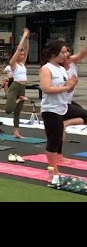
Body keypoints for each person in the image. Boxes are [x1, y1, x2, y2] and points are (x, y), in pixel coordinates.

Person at [39, 40, 78, 181]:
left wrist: (72, 85)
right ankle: (53, 171)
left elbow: (67, 89)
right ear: (54, 53)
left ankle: (65, 124)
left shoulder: (62, 69)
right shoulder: (46, 68)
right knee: (54, 140)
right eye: (63, 52)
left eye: (66, 51)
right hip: (51, 110)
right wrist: (67, 87)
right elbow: (46, 88)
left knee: (84, 115)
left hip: (63, 107)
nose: (66, 54)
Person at [4, 28, 30, 138]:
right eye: (20, 54)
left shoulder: (22, 64)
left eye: (23, 54)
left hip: (22, 87)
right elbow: (19, 49)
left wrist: (27, 38)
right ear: (16, 54)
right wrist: (23, 36)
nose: (22, 55)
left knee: (17, 113)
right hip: (15, 87)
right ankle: (20, 99)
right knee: (9, 110)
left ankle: (16, 133)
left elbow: (26, 49)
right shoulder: (12, 64)